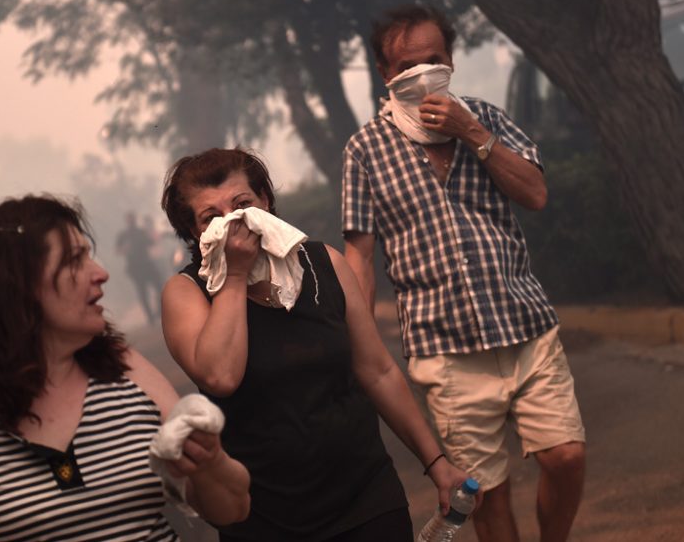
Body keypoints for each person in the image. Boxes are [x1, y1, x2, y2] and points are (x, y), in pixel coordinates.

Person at [0, 195, 250, 542]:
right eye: (74, 261)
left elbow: (232, 509)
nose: (100, 273)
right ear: (18, 287)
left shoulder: (124, 370)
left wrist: (210, 463)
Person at [342, 4, 586, 542]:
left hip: (524, 324)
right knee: (486, 495)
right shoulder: (364, 150)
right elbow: (359, 254)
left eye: (434, 59)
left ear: (450, 60)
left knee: (566, 455)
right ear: (386, 75)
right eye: (407, 64)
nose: (422, 71)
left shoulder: (488, 117)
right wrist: (361, 343)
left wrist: (473, 132)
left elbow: (536, 194)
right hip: (444, 351)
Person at [160, 148, 473, 541]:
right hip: (264, 517)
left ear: (266, 201)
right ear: (195, 232)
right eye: (212, 217)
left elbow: (378, 371)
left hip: (366, 497)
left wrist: (438, 463)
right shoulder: (186, 292)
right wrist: (235, 273)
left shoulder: (324, 263)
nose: (233, 223)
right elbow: (220, 375)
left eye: (243, 205)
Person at [116, 211, 165, 325]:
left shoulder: (140, 232)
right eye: (129, 219)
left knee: (159, 286)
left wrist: (153, 237)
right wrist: (125, 248)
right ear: (126, 221)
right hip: (135, 268)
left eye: (132, 219)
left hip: (147, 264)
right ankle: (150, 317)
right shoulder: (124, 235)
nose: (131, 221)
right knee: (143, 292)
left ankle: (159, 311)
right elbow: (118, 250)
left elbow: (151, 243)